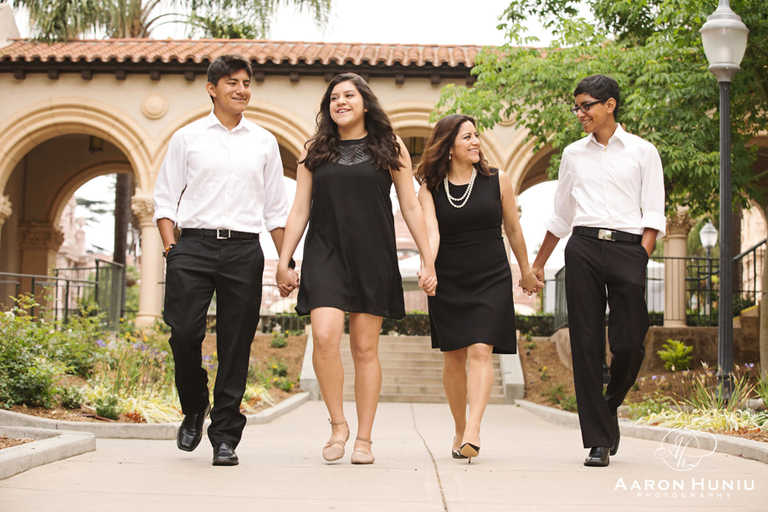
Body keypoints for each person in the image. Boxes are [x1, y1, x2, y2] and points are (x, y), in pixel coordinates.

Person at [276, 73, 437, 465]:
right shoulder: (314, 149)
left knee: (365, 348)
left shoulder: (390, 145)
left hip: (372, 255)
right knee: (324, 336)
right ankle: (338, 426)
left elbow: (410, 205)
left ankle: (364, 439)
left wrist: (427, 257)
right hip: (325, 253)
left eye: (349, 95)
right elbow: (299, 208)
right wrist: (284, 259)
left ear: (365, 103)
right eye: (334, 97)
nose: (341, 102)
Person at [153, 54, 295, 466]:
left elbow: (275, 210)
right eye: (232, 82)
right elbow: (164, 199)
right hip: (192, 247)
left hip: (244, 250)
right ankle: (195, 404)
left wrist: (285, 261)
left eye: (246, 83)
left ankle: (225, 437)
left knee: (236, 344)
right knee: (183, 333)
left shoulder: (264, 141)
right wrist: (171, 249)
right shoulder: (187, 138)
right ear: (212, 89)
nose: (241, 89)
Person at [531, 74, 666, 467]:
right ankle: (598, 440)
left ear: (610, 105)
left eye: (586, 105)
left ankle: (608, 408)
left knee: (630, 342)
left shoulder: (643, 152)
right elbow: (561, 215)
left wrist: (640, 256)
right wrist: (538, 264)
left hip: (628, 248)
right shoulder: (573, 154)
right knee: (586, 343)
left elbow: (653, 212)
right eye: (577, 107)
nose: (580, 113)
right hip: (584, 247)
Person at [415, 114, 542, 463]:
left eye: (476, 136)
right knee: (454, 357)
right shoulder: (429, 188)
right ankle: (459, 428)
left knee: (481, 351)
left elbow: (513, 229)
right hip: (449, 277)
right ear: (449, 146)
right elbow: (432, 233)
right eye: (467, 137)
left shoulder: (497, 179)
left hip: (491, 275)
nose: (475, 142)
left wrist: (525, 271)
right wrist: (428, 267)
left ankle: (473, 428)